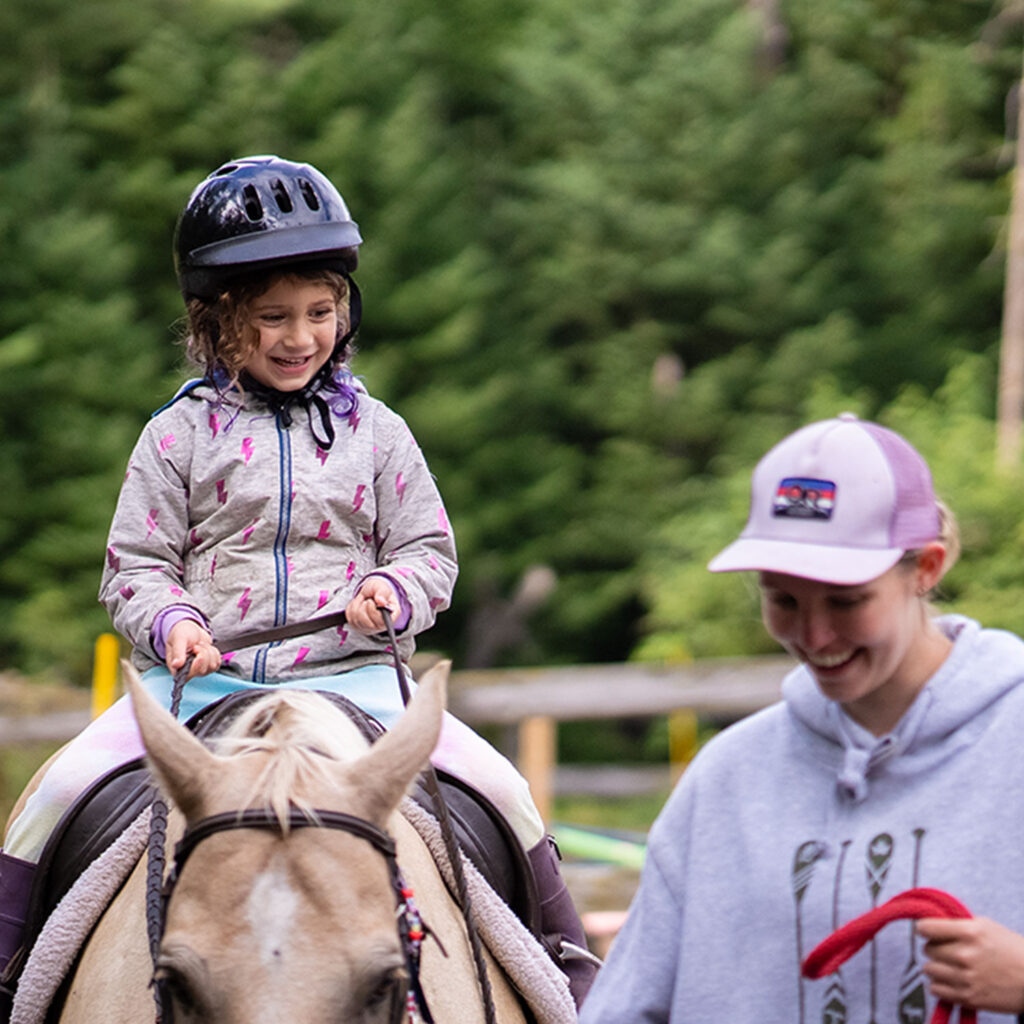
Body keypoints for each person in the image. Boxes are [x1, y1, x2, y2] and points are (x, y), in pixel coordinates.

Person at [0, 155, 596, 1006]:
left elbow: (430, 549)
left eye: (319, 312)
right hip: (201, 692)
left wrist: (393, 592)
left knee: (505, 789)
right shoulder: (175, 437)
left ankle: (571, 981)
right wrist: (172, 624)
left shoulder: (380, 433)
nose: (299, 337)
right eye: (272, 316)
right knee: (54, 791)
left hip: (359, 683)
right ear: (218, 321)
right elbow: (134, 564)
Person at [579, 412, 1024, 1023]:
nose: (814, 635)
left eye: (847, 601)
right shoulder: (725, 781)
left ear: (926, 569)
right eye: (782, 599)